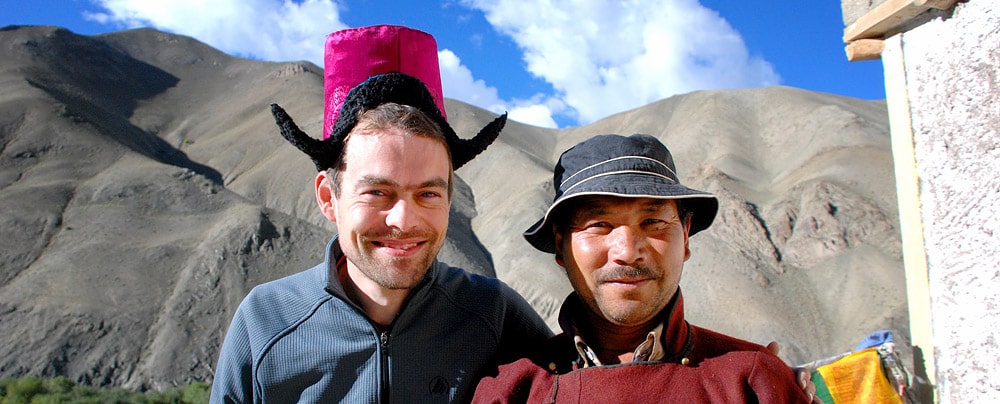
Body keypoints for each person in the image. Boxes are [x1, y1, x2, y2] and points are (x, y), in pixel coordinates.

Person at [209, 25, 552, 403]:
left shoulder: (495, 315)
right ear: (328, 197)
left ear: (450, 199)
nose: (403, 221)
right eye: (377, 192)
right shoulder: (265, 321)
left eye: (428, 193)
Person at [473, 134, 812, 403]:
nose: (628, 252)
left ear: (686, 237)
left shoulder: (753, 381)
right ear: (561, 245)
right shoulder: (512, 388)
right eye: (599, 224)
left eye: (653, 222)